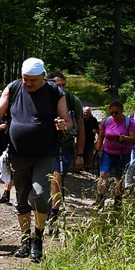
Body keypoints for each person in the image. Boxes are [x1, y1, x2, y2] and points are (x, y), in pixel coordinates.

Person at [0, 57, 73, 262]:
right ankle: (25, 240)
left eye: (32, 80)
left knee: (40, 194)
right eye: (25, 79)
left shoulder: (54, 92)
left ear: (43, 76)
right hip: (18, 153)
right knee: (22, 197)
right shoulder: (14, 87)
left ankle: (38, 239)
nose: (28, 83)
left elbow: (68, 121)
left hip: (45, 152)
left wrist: (64, 126)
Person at [47, 72, 85, 233]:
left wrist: (80, 155)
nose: (61, 88)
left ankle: (53, 216)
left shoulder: (73, 101)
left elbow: (81, 129)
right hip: (45, 144)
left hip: (65, 145)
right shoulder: (45, 97)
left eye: (63, 85)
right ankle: (43, 212)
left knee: (57, 178)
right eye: (58, 85)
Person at [95, 101, 135, 209]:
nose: (113, 115)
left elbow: (134, 139)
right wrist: (97, 149)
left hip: (123, 154)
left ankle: (117, 201)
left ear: (122, 111)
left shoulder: (129, 122)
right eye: (111, 112)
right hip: (108, 153)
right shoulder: (107, 121)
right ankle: (100, 199)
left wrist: (125, 138)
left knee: (120, 178)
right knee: (103, 176)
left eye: (116, 112)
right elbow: (101, 136)